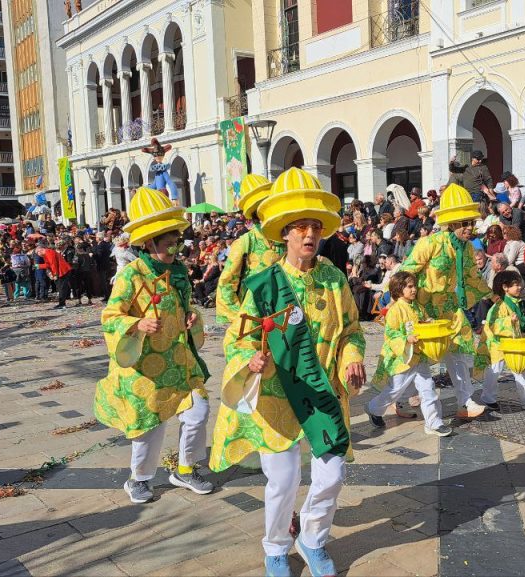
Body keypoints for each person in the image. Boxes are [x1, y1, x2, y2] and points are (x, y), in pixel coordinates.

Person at [207, 168, 366, 577]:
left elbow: (351, 329)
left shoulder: (333, 279)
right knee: (283, 480)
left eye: (315, 226)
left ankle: (312, 540)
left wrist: (352, 355)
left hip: (322, 395)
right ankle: (275, 548)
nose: (309, 235)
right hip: (277, 397)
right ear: (284, 233)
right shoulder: (263, 285)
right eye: (300, 227)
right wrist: (250, 361)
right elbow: (238, 337)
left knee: (331, 475)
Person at [95, 187, 214, 505]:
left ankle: (186, 469)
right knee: (152, 427)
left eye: (176, 240)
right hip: (145, 368)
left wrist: (192, 317)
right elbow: (110, 315)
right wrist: (138, 324)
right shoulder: (132, 276)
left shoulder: (179, 274)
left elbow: (187, 308)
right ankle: (139, 479)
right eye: (167, 243)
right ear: (150, 243)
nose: (174, 248)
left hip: (180, 362)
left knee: (199, 411)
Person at [400, 183, 490, 419]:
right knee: (417, 358)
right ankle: (396, 399)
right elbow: (407, 272)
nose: (469, 228)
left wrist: (494, 294)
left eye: (470, 222)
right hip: (425, 306)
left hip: (450, 307)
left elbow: (473, 277)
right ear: (450, 224)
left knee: (458, 353)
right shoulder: (430, 243)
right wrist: (405, 303)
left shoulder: (468, 249)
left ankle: (465, 402)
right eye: (463, 224)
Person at [366, 270, 451, 436]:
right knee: (394, 391)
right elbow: (390, 334)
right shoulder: (395, 310)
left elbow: (421, 323)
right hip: (402, 359)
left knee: (428, 389)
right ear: (399, 289)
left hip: (419, 357)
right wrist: (406, 339)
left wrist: (428, 323)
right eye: (410, 286)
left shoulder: (417, 307)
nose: (414, 290)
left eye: (414, 286)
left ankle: (433, 423)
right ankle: (373, 408)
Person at [216, 175, 287, 325]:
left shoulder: (287, 238)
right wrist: (244, 322)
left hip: (287, 318)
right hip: (256, 323)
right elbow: (226, 286)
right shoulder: (244, 243)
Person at [479, 270, 525, 411]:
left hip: (512, 344)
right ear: (505, 287)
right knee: (494, 372)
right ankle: (488, 398)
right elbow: (492, 324)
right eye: (515, 285)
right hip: (497, 345)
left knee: (520, 370)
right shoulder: (499, 306)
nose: (519, 288)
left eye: (519, 285)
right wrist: (507, 321)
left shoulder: (514, 303)